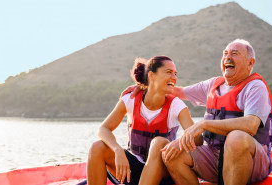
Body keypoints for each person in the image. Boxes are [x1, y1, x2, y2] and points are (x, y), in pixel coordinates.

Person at [125, 39, 272, 185]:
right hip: (214, 157)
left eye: (234, 54)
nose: (228, 57)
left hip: (251, 162)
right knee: (170, 153)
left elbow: (250, 125)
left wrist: (204, 125)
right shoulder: (212, 85)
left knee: (236, 138)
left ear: (250, 63)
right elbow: (177, 92)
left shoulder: (255, 87)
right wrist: (146, 86)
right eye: (225, 54)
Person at [86, 56, 202, 185]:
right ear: (151, 75)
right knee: (97, 147)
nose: (174, 77)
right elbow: (103, 129)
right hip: (134, 170)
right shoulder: (130, 99)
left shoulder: (176, 105)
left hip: (163, 174)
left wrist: (178, 143)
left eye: (175, 74)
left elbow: (198, 138)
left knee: (159, 142)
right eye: (169, 72)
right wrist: (117, 149)